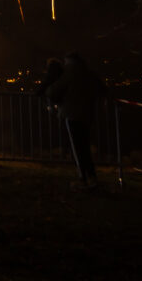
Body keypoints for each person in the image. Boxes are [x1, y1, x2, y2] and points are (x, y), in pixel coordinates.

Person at [47, 51, 103, 188]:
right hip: (87, 115)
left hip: (72, 115)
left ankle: (82, 178)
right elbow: (101, 89)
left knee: (77, 149)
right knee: (85, 147)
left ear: (69, 61)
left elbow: (52, 91)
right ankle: (92, 177)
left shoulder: (69, 74)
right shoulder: (89, 73)